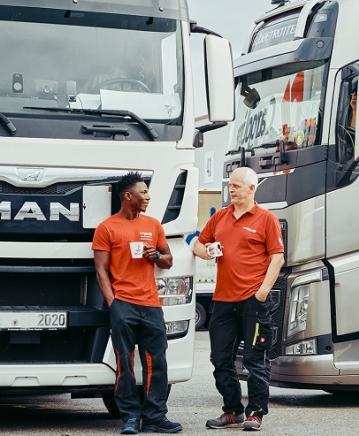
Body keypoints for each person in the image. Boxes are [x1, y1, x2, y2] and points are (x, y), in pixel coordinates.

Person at [193, 167, 285, 432]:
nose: (231, 189)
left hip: (253, 301)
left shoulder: (266, 219)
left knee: (255, 361)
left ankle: (255, 413)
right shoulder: (220, 217)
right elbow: (197, 244)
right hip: (223, 300)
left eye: (236, 185)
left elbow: (277, 258)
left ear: (251, 188)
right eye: (230, 185)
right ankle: (232, 411)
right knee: (220, 359)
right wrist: (206, 251)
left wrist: (263, 292)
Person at [92, 172, 182, 435]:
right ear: (127, 196)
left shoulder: (153, 225)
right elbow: (100, 270)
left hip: (151, 304)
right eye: (143, 192)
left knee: (157, 362)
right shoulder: (107, 228)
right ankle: (130, 417)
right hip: (124, 304)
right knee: (125, 364)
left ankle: (155, 417)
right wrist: (113, 303)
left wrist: (156, 256)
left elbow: (168, 260)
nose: (148, 197)